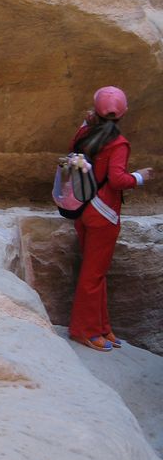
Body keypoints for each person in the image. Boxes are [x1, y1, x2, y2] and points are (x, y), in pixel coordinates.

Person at [68, 86, 154, 352]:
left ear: (95, 110)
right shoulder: (118, 143)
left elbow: (72, 150)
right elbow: (117, 180)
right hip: (104, 214)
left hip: (83, 209)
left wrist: (86, 122)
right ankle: (84, 330)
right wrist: (139, 177)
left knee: (95, 272)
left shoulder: (85, 133)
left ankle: (102, 326)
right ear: (123, 113)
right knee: (94, 274)